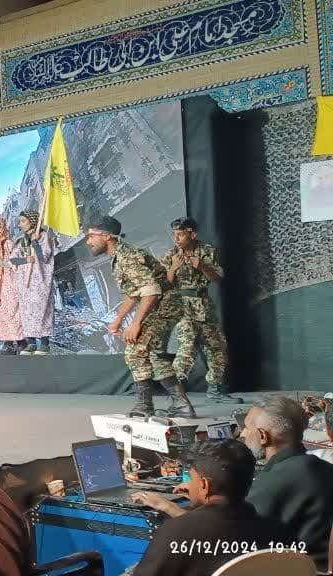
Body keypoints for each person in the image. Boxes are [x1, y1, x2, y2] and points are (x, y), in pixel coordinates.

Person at [128, 439, 295, 576]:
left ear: (204, 485)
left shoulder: (176, 532)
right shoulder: (280, 532)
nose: (189, 485)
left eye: (191, 478)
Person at [85, 216, 195, 417]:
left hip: (165, 306)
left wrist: (135, 324)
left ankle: (147, 405)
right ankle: (179, 405)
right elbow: (133, 293)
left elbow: (151, 291)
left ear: (107, 236)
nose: (88, 241)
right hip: (162, 305)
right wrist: (118, 319)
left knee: (135, 350)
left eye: (91, 235)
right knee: (153, 354)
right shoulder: (120, 256)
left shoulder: (128, 257)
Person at [239, 396, 333, 566]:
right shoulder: (325, 468)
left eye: (246, 427)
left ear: (263, 436)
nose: (242, 433)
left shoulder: (272, 481)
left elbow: (238, 534)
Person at [162, 218, 239, 404]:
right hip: (183, 307)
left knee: (217, 348)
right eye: (174, 235)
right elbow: (163, 285)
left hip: (204, 306)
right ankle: (176, 394)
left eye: (180, 234)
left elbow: (218, 278)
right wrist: (173, 268)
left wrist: (202, 266)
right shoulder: (170, 255)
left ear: (192, 234)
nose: (176, 239)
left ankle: (215, 390)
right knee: (187, 347)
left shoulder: (207, 251)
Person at [12, 210, 57, 355]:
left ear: (32, 221)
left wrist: (35, 242)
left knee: (42, 310)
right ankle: (30, 343)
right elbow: (13, 260)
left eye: (23, 221)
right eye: (20, 221)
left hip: (40, 282)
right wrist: (25, 260)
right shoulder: (21, 240)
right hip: (24, 283)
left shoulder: (44, 236)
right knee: (27, 312)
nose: (20, 224)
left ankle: (44, 343)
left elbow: (45, 257)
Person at [0, 217, 22, 354]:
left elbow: (16, 263)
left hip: (10, 281)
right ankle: (8, 342)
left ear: (1, 228)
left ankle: (21, 341)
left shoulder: (8, 243)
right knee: (2, 313)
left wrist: (0, 263)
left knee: (13, 310)